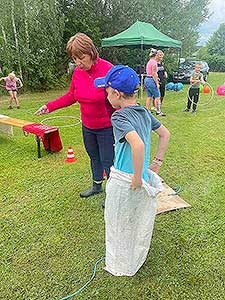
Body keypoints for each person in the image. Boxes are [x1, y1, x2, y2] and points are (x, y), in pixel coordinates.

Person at [94, 65, 170, 276]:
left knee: (118, 221)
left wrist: (136, 177)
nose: (106, 96)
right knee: (136, 220)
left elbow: (137, 145)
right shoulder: (144, 112)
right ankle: (133, 258)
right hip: (141, 177)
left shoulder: (119, 117)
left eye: (107, 92)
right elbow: (165, 134)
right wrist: (157, 162)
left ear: (116, 94)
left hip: (126, 181)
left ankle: (122, 264)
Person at [35, 33, 115, 198]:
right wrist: (49, 106)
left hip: (107, 126)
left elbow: (121, 96)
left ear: (91, 52)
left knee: (108, 160)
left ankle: (113, 194)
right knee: (93, 156)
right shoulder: (78, 73)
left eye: (81, 58)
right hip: (88, 125)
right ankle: (97, 185)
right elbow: (71, 96)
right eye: (74, 59)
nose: (78, 63)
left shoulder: (108, 69)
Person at [144, 48, 166, 116]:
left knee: (149, 96)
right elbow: (154, 73)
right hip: (151, 80)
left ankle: (147, 110)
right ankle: (158, 111)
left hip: (147, 79)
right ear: (155, 55)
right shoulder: (154, 63)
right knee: (157, 96)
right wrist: (157, 83)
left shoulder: (149, 61)